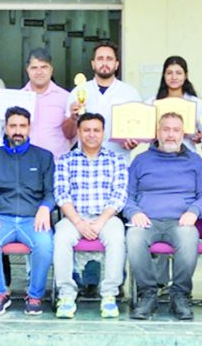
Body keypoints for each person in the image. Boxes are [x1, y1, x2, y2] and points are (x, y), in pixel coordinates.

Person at [125, 113, 202, 320]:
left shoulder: (194, 160)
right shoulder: (141, 160)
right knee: (134, 238)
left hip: (181, 221)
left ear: (183, 134)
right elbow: (126, 195)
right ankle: (148, 293)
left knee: (188, 238)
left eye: (176, 130)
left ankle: (180, 294)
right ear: (157, 132)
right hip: (147, 220)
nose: (171, 135)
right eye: (166, 129)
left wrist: (194, 211)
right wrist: (134, 211)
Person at [0, 106, 55, 316]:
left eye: (22, 126)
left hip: (32, 219)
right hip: (1, 218)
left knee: (45, 244)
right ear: (6, 128)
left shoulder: (44, 157)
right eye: (13, 126)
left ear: (29, 128)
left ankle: (35, 296)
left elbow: (52, 191)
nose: (17, 130)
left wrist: (46, 207)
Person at [53, 113, 128, 319]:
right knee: (61, 237)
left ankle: (109, 295)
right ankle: (67, 295)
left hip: (106, 217)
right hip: (74, 217)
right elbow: (61, 194)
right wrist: (78, 222)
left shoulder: (116, 160)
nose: (91, 135)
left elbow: (119, 195)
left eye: (96, 130)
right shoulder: (66, 160)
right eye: (86, 130)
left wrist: (100, 222)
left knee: (116, 236)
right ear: (78, 132)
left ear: (103, 133)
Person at [63, 41, 141, 162]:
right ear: (93, 64)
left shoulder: (130, 93)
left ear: (116, 64)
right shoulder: (79, 91)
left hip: (119, 162)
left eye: (109, 59)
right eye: (100, 59)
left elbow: (138, 129)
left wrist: (133, 142)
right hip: (85, 164)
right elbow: (68, 134)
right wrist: (73, 118)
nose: (104, 63)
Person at [145, 56, 202, 153]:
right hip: (157, 155)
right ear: (163, 75)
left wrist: (200, 137)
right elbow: (144, 131)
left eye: (178, 73)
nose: (174, 77)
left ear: (185, 76)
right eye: (169, 73)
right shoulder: (151, 102)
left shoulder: (196, 103)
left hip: (186, 156)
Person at [22, 47, 72, 159]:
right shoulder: (19, 98)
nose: (39, 72)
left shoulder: (66, 97)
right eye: (34, 68)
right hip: (26, 163)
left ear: (51, 69)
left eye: (44, 67)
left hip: (57, 162)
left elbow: (72, 135)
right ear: (27, 70)